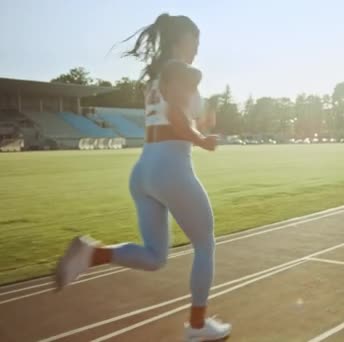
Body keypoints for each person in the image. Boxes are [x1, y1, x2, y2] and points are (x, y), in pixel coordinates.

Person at [54, 13, 231, 341]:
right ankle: (197, 326)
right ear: (182, 39)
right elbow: (177, 116)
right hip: (171, 169)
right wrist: (202, 139)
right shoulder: (181, 70)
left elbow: (173, 117)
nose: (198, 49)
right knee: (205, 243)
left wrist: (199, 126)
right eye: (196, 41)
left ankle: (91, 253)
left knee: (154, 257)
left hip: (145, 170)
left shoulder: (156, 77)